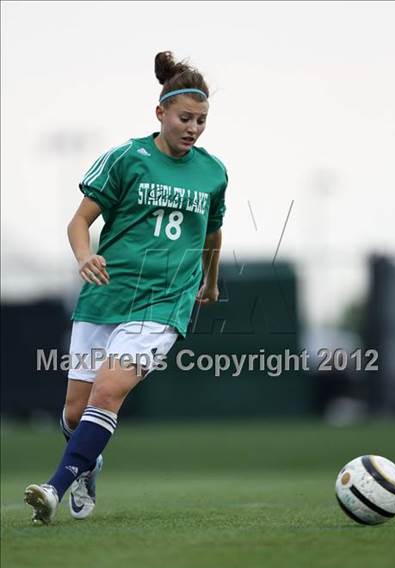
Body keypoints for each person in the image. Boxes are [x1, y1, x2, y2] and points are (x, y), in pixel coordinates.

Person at [24, 51, 228, 525]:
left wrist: (211, 282)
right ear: (160, 113)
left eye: (201, 120)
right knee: (75, 414)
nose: (193, 128)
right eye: (185, 118)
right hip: (106, 295)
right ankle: (87, 466)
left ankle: (54, 489)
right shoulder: (126, 158)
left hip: (163, 303)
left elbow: (212, 232)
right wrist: (84, 255)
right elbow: (79, 221)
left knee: (108, 391)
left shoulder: (213, 172)